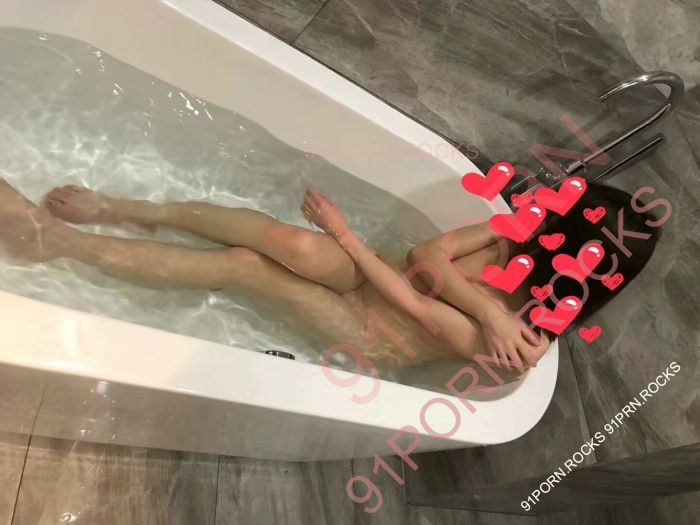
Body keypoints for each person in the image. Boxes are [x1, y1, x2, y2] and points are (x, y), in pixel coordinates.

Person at [0, 178, 658, 370]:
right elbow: (422, 256)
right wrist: (484, 304)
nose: (541, 204)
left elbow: (416, 301)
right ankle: (129, 211)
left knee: (244, 266)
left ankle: (55, 242)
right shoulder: (514, 233)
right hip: (375, 275)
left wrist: (344, 235)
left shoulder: (520, 340)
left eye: (558, 212)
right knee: (285, 238)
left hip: (371, 330)